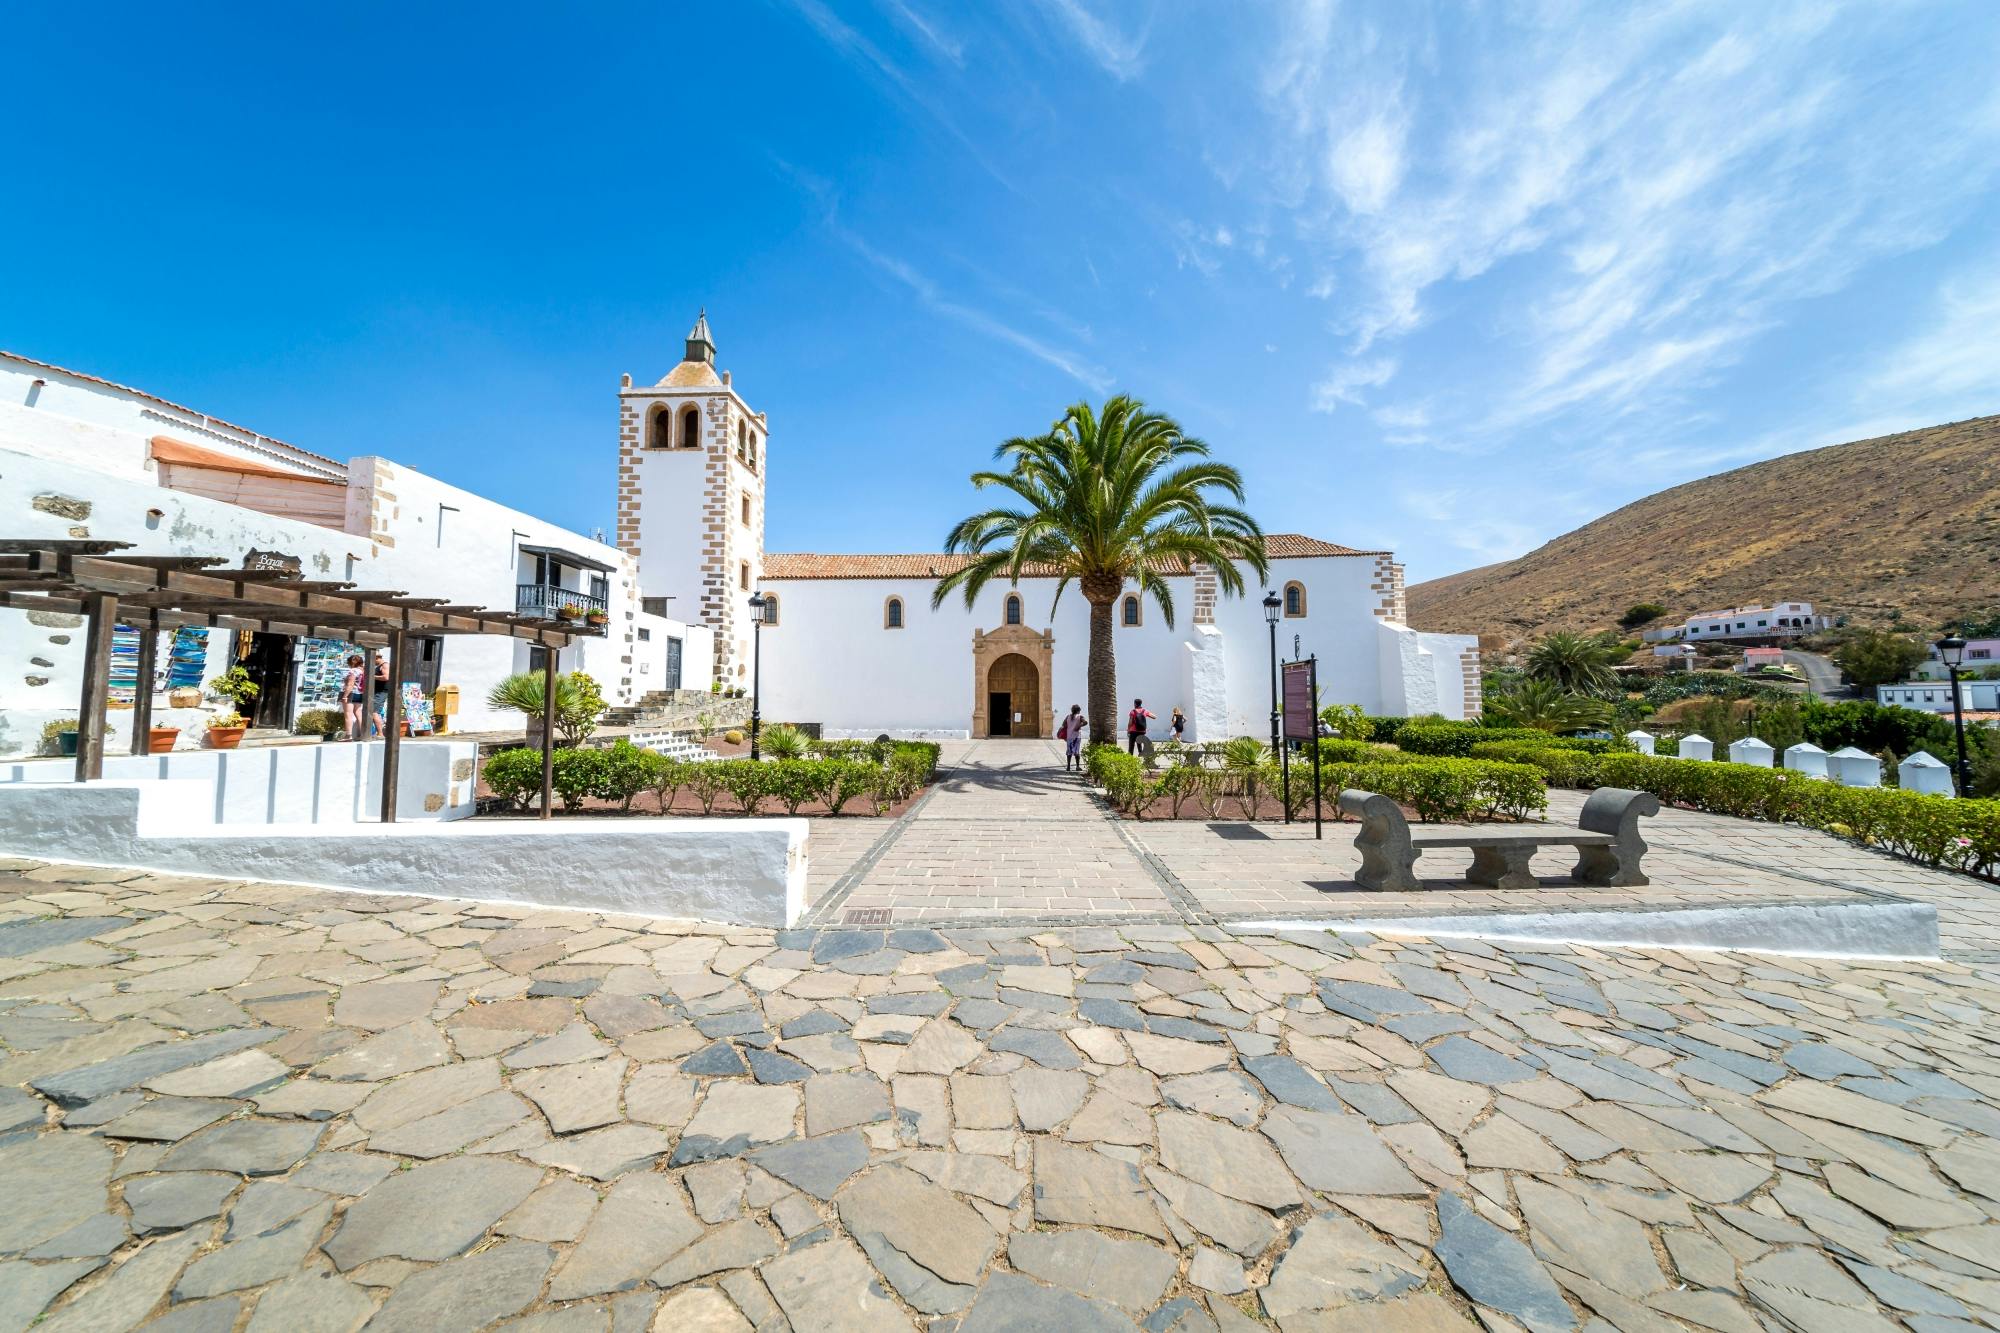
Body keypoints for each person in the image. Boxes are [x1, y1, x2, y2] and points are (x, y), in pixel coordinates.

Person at [340, 654, 367, 740]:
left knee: (348, 715)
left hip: (350, 693)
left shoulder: (353, 671)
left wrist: (345, 696)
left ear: (352, 662)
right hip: (359, 693)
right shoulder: (363, 671)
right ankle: (363, 734)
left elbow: (350, 684)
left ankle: (348, 735)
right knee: (358, 714)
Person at [1058, 704, 1087, 771]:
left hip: (1069, 736)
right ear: (1078, 710)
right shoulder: (1080, 716)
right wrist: (1079, 726)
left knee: (1069, 751)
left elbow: (1063, 725)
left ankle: (1068, 767)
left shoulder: (1068, 716)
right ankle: (1077, 767)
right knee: (1076, 751)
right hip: (1076, 737)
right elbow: (1085, 722)